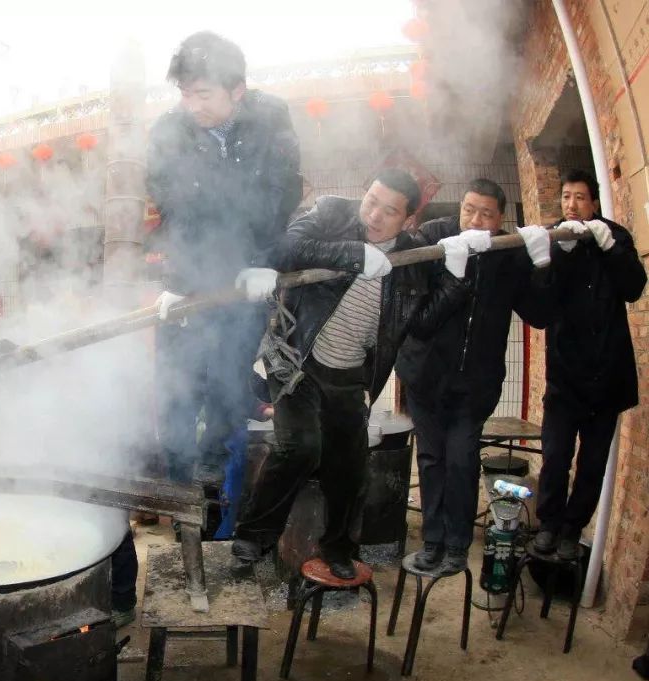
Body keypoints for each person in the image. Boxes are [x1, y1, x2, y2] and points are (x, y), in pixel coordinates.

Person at [231, 169, 442, 579]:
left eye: (390, 211)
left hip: (349, 374)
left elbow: (425, 319)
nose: (374, 215)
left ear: (408, 220)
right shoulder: (331, 213)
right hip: (297, 360)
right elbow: (286, 248)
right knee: (301, 446)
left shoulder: (413, 259)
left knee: (350, 467)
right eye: (371, 201)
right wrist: (353, 254)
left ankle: (339, 549)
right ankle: (253, 536)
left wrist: (456, 270)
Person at [147, 30, 303, 487]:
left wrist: (264, 261)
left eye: (203, 94)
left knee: (231, 375)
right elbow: (173, 209)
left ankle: (213, 464)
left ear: (237, 90)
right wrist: (178, 282)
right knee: (177, 385)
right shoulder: (168, 131)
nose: (191, 105)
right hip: (192, 271)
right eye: (184, 94)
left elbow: (280, 194)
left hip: (248, 271)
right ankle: (178, 481)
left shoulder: (271, 118)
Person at [396, 179, 558, 573]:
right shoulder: (434, 237)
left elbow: (540, 314)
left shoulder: (508, 251)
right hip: (426, 377)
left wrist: (541, 264)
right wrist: (453, 266)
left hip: (475, 384)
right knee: (431, 459)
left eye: (486, 213)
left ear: (500, 219)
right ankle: (432, 541)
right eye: (469, 209)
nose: (475, 219)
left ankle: (456, 544)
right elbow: (418, 315)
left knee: (462, 459)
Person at [534, 169, 646, 560]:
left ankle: (571, 529)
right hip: (565, 378)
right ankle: (548, 524)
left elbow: (634, 288)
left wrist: (610, 248)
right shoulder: (552, 238)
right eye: (566, 197)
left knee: (592, 463)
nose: (571, 205)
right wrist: (558, 256)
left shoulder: (614, 235)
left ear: (593, 203)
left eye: (580, 197)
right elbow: (541, 307)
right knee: (555, 456)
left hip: (607, 377)